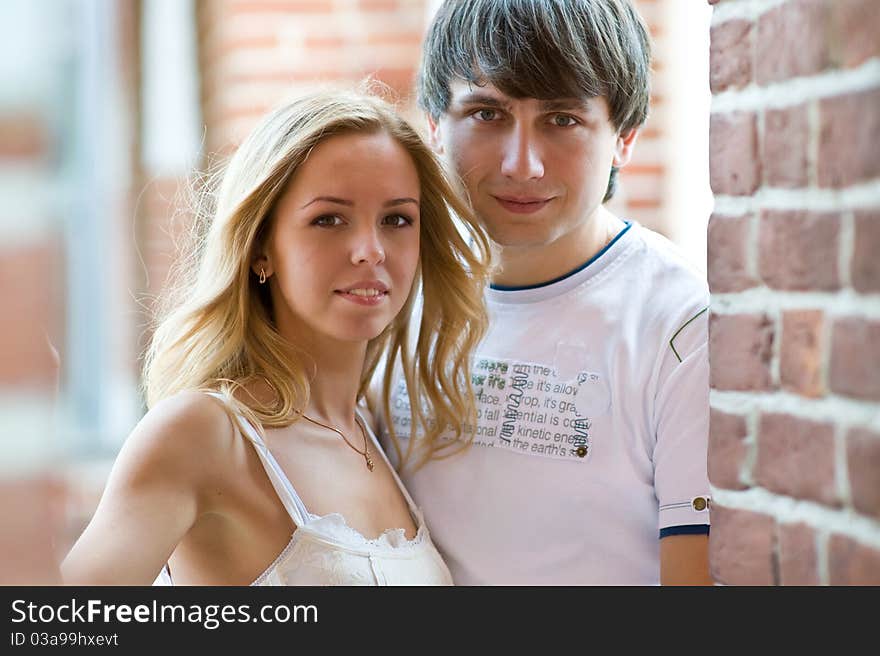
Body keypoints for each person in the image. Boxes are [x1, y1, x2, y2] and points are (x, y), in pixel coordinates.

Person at [61, 87, 491, 585]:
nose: (370, 250)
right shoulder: (205, 433)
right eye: (328, 219)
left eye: (396, 219)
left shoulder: (378, 430)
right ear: (261, 248)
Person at [375, 0, 714, 585]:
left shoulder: (678, 324)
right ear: (434, 126)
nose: (522, 164)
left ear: (624, 139)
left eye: (562, 119)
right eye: (486, 114)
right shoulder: (386, 293)